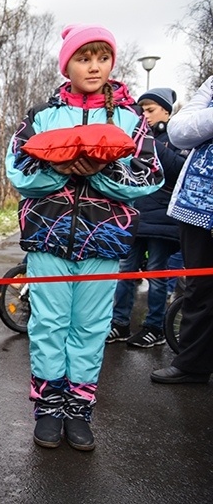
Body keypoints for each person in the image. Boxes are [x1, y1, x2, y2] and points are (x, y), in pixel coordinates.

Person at [5, 25, 164, 451]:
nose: (93, 66)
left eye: (102, 57)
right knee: (48, 326)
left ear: (112, 62)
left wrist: (103, 172)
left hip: (105, 240)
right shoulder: (40, 114)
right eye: (83, 58)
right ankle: (48, 410)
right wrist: (59, 169)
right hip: (47, 236)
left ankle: (79, 410)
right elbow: (17, 171)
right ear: (67, 64)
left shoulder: (132, 119)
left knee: (90, 329)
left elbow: (149, 176)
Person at [107, 88, 188, 347]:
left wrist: (151, 141)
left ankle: (155, 327)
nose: (144, 115)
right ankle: (119, 323)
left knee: (157, 273)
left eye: (150, 110)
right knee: (125, 271)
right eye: (141, 110)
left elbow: (178, 170)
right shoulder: (136, 137)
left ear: (166, 111)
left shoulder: (176, 138)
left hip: (163, 221)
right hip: (135, 217)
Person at [151, 75, 213, 385]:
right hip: (197, 208)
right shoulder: (212, 84)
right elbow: (180, 131)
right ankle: (192, 363)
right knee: (198, 288)